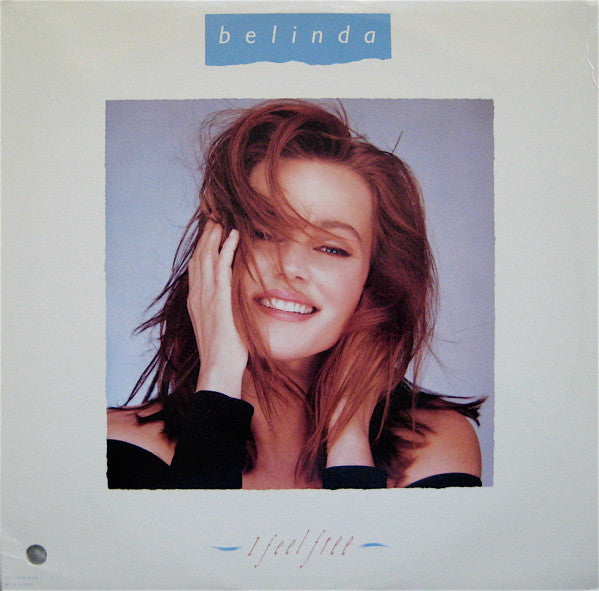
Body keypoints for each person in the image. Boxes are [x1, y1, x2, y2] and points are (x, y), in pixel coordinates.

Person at [107, 99, 485, 489]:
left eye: (331, 248)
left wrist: (349, 439)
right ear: (214, 250)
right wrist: (218, 380)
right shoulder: (121, 448)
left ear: (373, 282)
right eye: (264, 232)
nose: (289, 266)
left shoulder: (434, 446)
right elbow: (198, 530)